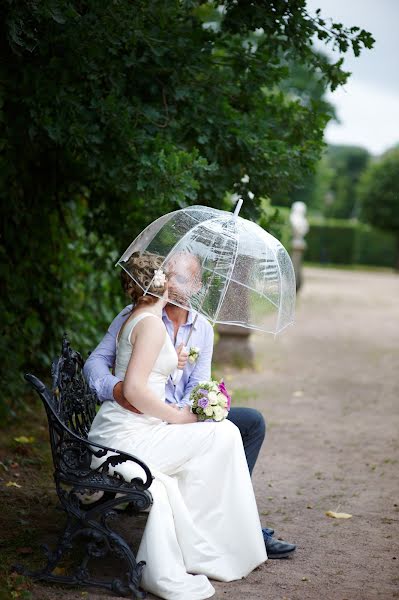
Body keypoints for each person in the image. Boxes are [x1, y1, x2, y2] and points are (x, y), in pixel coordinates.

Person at [84, 251, 296, 560]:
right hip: (141, 420)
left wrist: (194, 410)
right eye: (167, 274)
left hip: (176, 417)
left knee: (250, 423)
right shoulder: (138, 314)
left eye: (180, 278)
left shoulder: (203, 329)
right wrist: (115, 390)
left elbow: (198, 384)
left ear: (196, 286)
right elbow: (95, 362)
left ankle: (236, 523)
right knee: (220, 437)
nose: (170, 282)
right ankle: (234, 528)